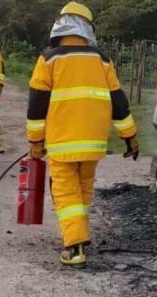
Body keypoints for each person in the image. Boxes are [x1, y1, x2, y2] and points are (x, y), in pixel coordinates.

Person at [26, 1, 139, 267]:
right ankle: (79, 232)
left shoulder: (49, 59)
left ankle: (75, 246)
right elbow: (118, 102)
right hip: (93, 143)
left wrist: (35, 141)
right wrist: (130, 137)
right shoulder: (102, 59)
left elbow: (36, 106)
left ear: (61, 25)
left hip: (62, 142)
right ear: (88, 27)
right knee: (84, 187)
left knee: (65, 192)